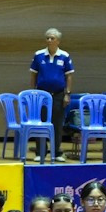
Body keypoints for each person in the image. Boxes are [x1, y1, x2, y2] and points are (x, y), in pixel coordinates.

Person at [29, 29, 73, 160]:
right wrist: (33, 93)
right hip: (41, 95)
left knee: (57, 124)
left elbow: (69, 76)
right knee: (41, 123)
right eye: (47, 38)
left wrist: (67, 94)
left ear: (58, 41)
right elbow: (33, 75)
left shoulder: (64, 56)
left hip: (58, 94)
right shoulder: (39, 55)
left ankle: (56, 152)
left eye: (52, 38)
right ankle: (40, 152)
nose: (49, 40)